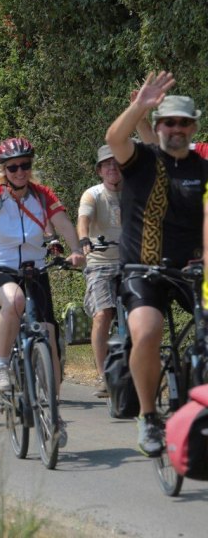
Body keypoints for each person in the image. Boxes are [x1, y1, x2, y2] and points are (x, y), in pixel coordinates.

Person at [0, 137, 84, 445]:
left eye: (25, 165)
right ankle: (2, 364)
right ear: (3, 170)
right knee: (14, 300)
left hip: (35, 270)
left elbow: (63, 223)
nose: (21, 171)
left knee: (50, 339)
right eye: (13, 167)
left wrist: (76, 250)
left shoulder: (42, 195)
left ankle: (53, 412)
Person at [105, 71, 208, 457]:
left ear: (193, 127)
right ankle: (148, 416)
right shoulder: (142, 160)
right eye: (168, 122)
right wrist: (139, 106)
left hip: (192, 271)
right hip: (141, 272)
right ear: (159, 126)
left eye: (183, 122)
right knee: (147, 332)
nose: (176, 128)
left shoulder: (202, 169)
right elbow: (114, 139)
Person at [77, 145, 122, 398]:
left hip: (131, 262)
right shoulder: (92, 194)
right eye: (107, 164)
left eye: (117, 163)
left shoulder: (134, 192)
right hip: (100, 263)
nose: (112, 168)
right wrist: (84, 239)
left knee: (147, 311)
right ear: (99, 170)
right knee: (103, 313)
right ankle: (103, 374)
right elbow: (83, 218)